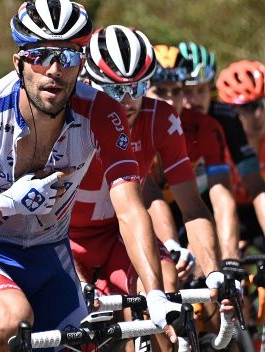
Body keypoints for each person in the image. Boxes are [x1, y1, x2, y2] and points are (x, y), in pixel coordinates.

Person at [0, 0, 182, 352]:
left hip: (49, 255)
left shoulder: (103, 112)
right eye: (41, 57)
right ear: (18, 62)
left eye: (68, 57)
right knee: (12, 320)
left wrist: (155, 294)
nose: (54, 70)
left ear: (80, 64)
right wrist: (5, 203)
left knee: (85, 345)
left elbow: (130, 209)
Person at [70, 25, 222, 299]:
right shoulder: (67, 115)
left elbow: (192, 207)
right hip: (63, 238)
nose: (128, 102)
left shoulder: (160, 118)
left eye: (138, 87)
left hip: (118, 232)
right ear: (88, 83)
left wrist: (215, 274)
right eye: (115, 90)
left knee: (166, 286)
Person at [145, 45, 242, 265]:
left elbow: (221, 199)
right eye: (160, 91)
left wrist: (229, 261)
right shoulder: (127, 126)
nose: (170, 102)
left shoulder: (205, 127)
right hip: (134, 214)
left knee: (209, 268)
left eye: (177, 91)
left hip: (183, 210)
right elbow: (148, 198)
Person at [215, 60, 265, 262]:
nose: (258, 114)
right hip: (227, 211)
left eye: (263, 103)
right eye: (247, 108)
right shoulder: (217, 134)